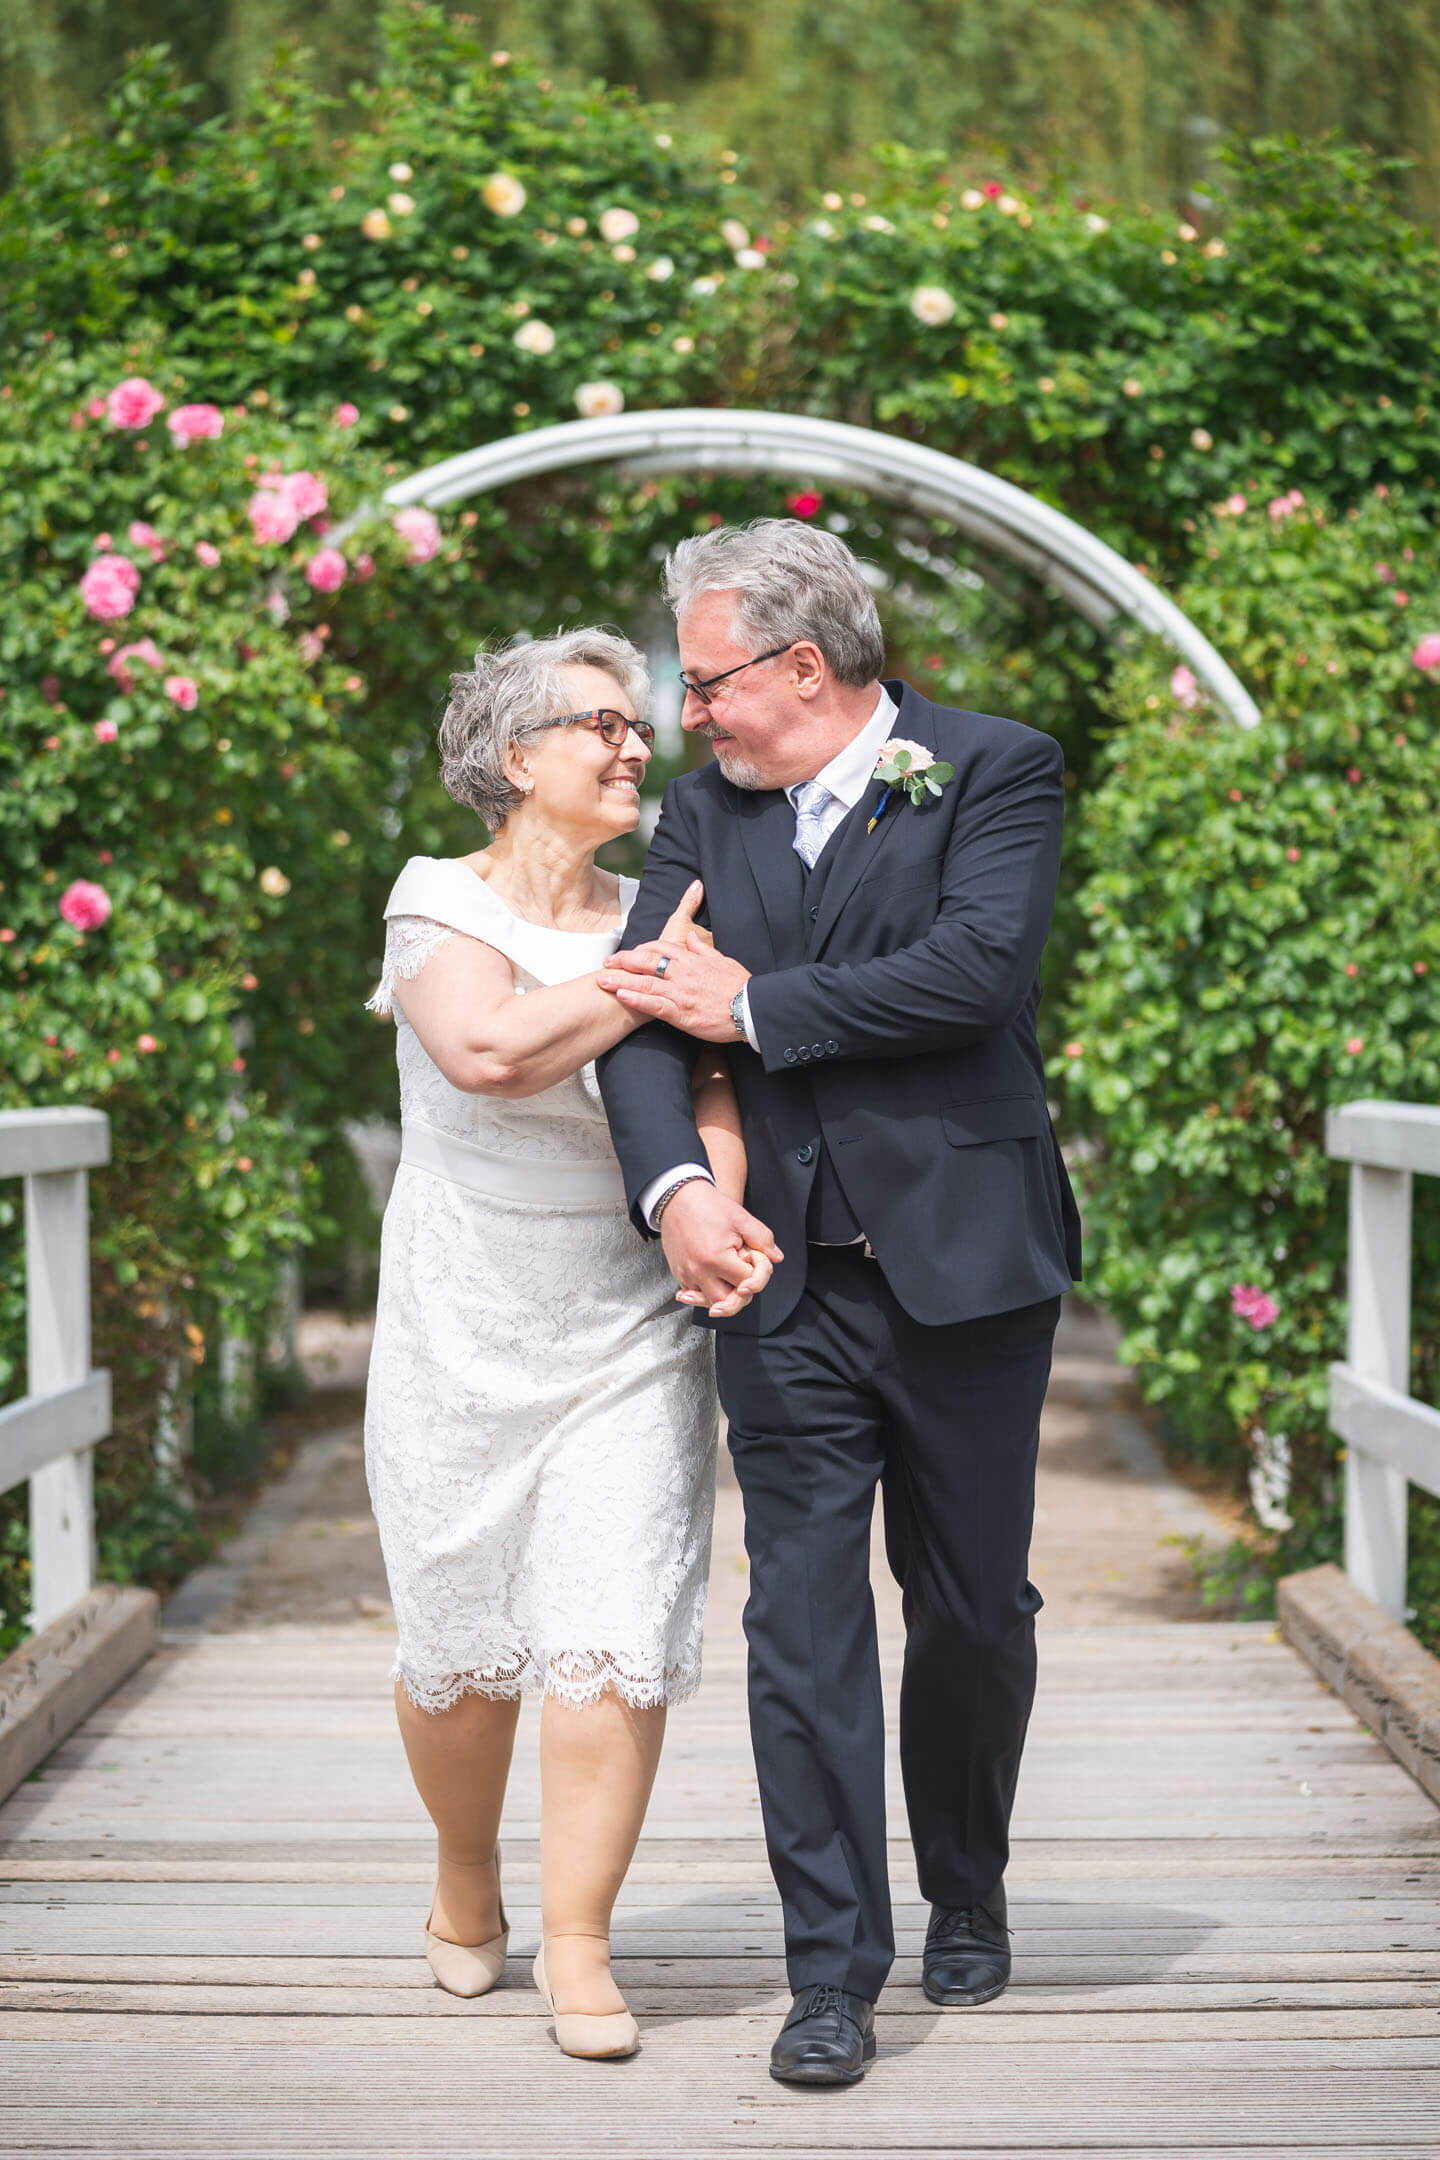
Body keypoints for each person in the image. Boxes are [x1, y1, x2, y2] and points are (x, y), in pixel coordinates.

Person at [596, 521, 1082, 2087]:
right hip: (778, 1273)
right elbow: (637, 1028)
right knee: (798, 1622)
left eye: (705, 679)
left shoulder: (996, 767)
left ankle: (970, 1882)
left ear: (804, 667)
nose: (690, 715)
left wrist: (748, 1004)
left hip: (968, 1262)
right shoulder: (696, 816)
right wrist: (679, 1192)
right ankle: (830, 1976)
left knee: (971, 1610)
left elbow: (978, 973)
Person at [362, 628, 775, 2061]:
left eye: (637, 726)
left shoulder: (658, 912)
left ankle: (584, 1945)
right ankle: (466, 1881)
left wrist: (713, 1202)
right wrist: (649, 971)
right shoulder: (437, 904)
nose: (631, 747)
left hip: (623, 1315)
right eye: (599, 724)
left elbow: (713, 1079)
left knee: (612, 1627)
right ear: (515, 755)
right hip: (459, 1313)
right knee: (460, 1650)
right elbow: (488, 1051)